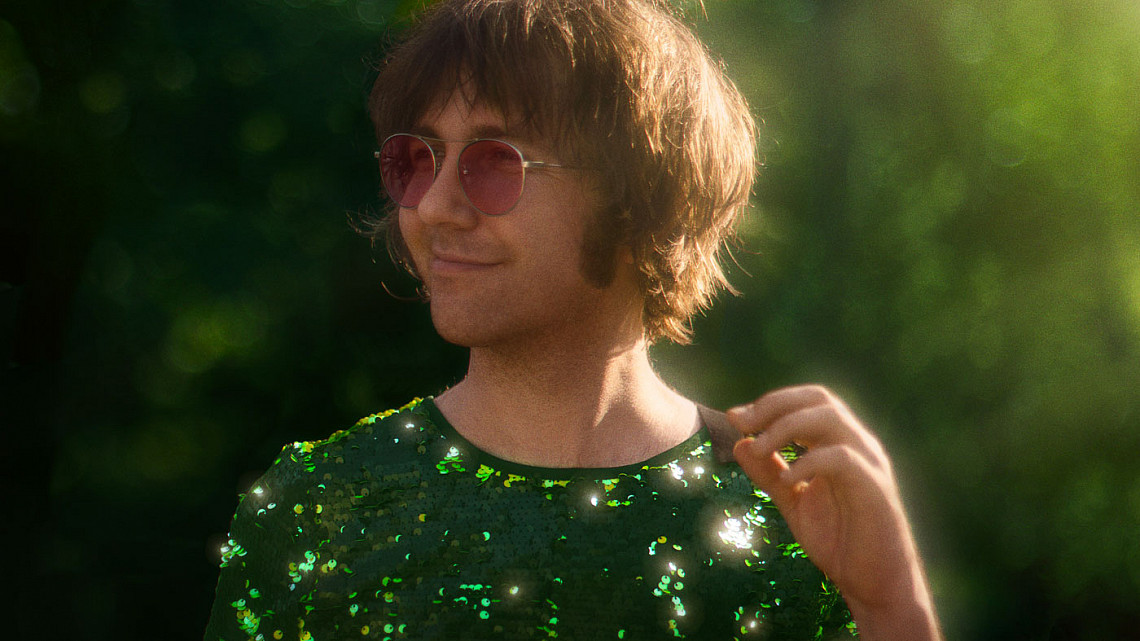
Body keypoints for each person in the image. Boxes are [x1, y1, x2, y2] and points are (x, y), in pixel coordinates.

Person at [205, 0, 942, 639]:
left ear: (640, 195)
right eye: (417, 159)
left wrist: (892, 608)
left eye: (495, 161)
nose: (432, 207)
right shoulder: (319, 508)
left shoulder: (793, 515)